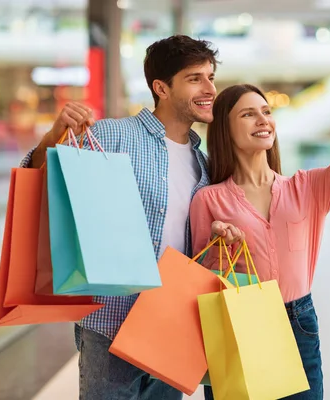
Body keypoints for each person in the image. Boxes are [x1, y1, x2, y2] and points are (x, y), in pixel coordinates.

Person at [20, 35, 243, 400]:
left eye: (211, 76)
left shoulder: (205, 165)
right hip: (111, 323)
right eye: (195, 78)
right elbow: (38, 180)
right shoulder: (111, 135)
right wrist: (53, 136)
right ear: (162, 88)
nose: (210, 88)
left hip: (173, 326)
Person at [190, 54, 330, 399]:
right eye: (248, 114)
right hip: (239, 324)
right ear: (225, 129)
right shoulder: (209, 200)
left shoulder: (307, 188)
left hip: (298, 324)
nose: (263, 120)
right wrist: (221, 248)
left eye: (266, 112)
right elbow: (201, 280)